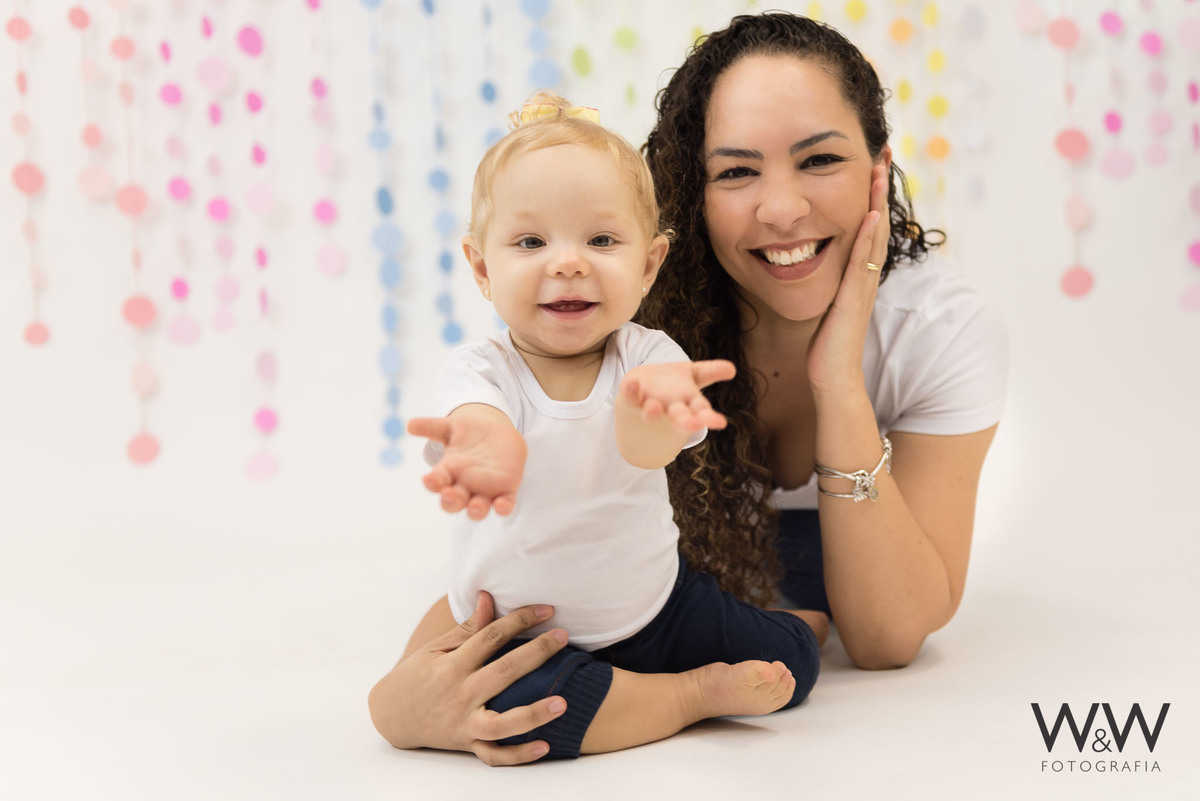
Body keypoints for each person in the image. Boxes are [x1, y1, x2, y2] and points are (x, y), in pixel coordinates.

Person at [367, 12, 1007, 765]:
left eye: (820, 159)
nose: (782, 209)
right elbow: (522, 557)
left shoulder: (936, 326)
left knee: (776, 643)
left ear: (878, 165)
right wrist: (403, 700)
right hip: (601, 590)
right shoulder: (619, 313)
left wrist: (839, 380)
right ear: (692, 189)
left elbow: (888, 639)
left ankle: (745, 636)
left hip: (678, 599)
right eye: (736, 171)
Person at [390, 91, 820, 762]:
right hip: (521, 635)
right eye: (531, 241)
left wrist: (647, 410)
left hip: (658, 607)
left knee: (792, 669)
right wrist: (486, 444)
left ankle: (788, 627)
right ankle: (690, 697)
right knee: (515, 712)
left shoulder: (648, 358)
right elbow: (478, 415)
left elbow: (646, 448)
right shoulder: (481, 370)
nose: (568, 262)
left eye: (601, 239)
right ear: (481, 266)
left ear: (648, 265)